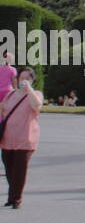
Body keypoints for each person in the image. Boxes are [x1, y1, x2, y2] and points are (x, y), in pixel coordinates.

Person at [0, 67, 42, 208]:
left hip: (25, 139)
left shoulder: (35, 94)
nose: (24, 81)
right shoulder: (10, 95)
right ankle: (13, 195)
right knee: (9, 169)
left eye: (27, 78)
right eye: (21, 78)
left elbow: (36, 105)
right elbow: (3, 112)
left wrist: (29, 89)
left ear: (32, 80)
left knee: (19, 169)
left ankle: (16, 198)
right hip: (7, 139)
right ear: (17, 80)